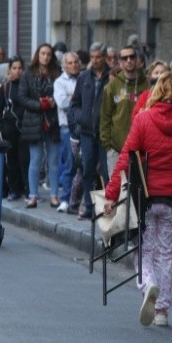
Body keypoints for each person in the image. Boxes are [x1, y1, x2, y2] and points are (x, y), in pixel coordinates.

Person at [102, 72, 172, 327]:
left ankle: (148, 283)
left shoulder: (143, 119)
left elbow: (126, 160)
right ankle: (162, 310)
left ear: (157, 90)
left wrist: (110, 194)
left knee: (144, 248)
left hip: (146, 195)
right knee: (165, 251)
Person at [69, 42, 111, 220]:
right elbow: (74, 104)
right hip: (87, 132)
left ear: (104, 57)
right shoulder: (84, 77)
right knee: (87, 170)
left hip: (105, 132)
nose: (95, 60)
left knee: (107, 172)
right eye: (92, 57)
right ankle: (88, 205)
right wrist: (81, 116)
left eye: (98, 57)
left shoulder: (112, 77)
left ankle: (106, 207)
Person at [17, 43, 59, 208]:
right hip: (33, 120)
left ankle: (54, 195)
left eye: (49, 54)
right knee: (35, 159)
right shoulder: (28, 73)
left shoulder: (57, 73)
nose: (46, 57)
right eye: (43, 53)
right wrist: (39, 104)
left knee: (53, 160)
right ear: (37, 55)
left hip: (52, 120)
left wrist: (53, 102)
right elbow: (21, 96)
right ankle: (33, 195)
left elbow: (62, 93)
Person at [99, 45, 149, 173]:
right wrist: (107, 145)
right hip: (116, 149)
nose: (129, 60)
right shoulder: (112, 86)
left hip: (141, 150)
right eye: (125, 58)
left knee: (139, 191)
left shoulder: (147, 84)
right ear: (120, 62)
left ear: (137, 59)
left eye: (132, 57)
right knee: (118, 191)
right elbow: (105, 116)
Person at [0, 57, 26, 202]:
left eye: (20, 68)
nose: (17, 71)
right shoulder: (5, 87)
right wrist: (1, 127)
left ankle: (26, 188)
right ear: (9, 71)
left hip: (25, 130)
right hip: (9, 129)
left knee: (25, 160)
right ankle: (14, 189)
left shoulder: (27, 86)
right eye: (14, 68)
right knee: (12, 161)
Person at [54, 52, 82, 213]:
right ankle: (65, 198)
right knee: (69, 165)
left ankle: (76, 200)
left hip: (84, 127)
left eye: (75, 62)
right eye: (69, 63)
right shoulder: (60, 82)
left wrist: (73, 98)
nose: (73, 65)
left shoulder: (85, 78)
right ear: (64, 66)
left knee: (83, 166)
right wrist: (77, 99)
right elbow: (62, 102)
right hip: (67, 127)